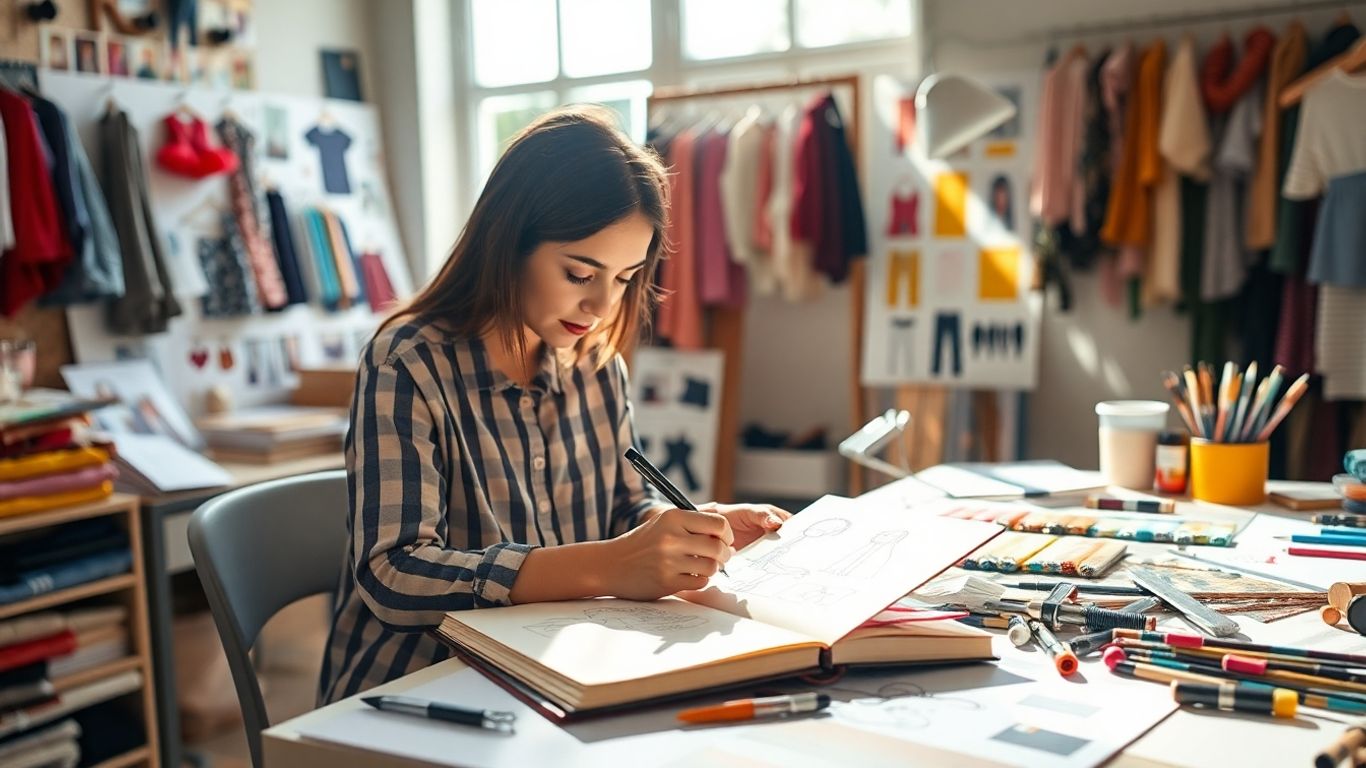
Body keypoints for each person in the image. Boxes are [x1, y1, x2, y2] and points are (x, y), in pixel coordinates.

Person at [319, 106, 792, 704]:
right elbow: (394, 574)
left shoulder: (597, 367)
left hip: (556, 670)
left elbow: (623, 508)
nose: (602, 306)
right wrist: (607, 566)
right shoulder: (407, 362)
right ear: (508, 242)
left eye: (624, 278)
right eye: (579, 273)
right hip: (418, 689)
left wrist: (691, 530)